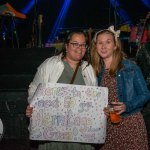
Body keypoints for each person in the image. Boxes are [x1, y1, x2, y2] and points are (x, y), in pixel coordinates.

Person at [26, 30, 97, 150]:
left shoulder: (88, 69)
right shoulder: (50, 64)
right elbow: (34, 88)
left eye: (83, 44)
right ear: (66, 45)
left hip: (80, 133)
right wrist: (34, 105)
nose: (79, 48)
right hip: (53, 131)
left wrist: (100, 110)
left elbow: (94, 99)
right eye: (75, 43)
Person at [90, 25, 150, 150]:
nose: (103, 46)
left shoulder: (129, 67)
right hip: (107, 126)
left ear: (115, 45)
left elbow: (145, 94)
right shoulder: (94, 71)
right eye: (100, 43)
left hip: (130, 124)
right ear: (95, 47)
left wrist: (126, 106)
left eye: (108, 42)